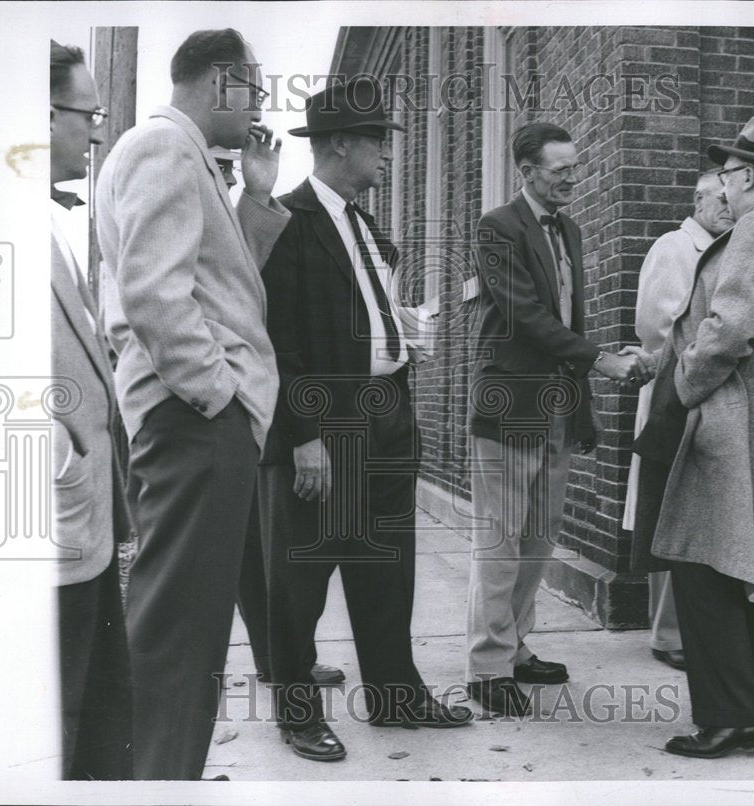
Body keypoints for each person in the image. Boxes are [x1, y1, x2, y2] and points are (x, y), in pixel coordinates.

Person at [95, 28, 290, 780]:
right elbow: (154, 293)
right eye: (256, 92)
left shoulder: (186, 158)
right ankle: (153, 777)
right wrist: (221, 397)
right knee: (180, 628)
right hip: (196, 420)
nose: (259, 107)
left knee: (189, 622)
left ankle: (157, 769)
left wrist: (256, 195)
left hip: (195, 419)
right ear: (221, 83)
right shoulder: (163, 149)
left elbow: (218, 282)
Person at [260, 78, 473, 762]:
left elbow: (366, 318)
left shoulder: (366, 225)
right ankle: (297, 714)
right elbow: (278, 340)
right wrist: (304, 436)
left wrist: (404, 333)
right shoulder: (287, 221)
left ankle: (394, 696)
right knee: (302, 583)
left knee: (387, 571)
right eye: (378, 140)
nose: (387, 154)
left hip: (386, 419)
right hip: (328, 429)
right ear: (341, 144)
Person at [633, 115, 754, 758]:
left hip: (728, 429)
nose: (722, 185)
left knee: (703, 572)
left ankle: (728, 716)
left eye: (727, 174)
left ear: (745, 175)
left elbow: (729, 329)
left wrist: (678, 389)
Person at [466, 122, 653, 718]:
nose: (572, 176)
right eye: (558, 168)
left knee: (537, 542)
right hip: (510, 408)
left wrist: (588, 382)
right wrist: (600, 359)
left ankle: (516, 647)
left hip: (557, 411)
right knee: (500, 543)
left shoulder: (569, 229)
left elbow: (567, 320)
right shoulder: (497, 228)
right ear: (526, 170)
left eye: (575, 166)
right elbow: (524, 315)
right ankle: (486, 667)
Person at [211, 146, 345, 688]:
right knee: (253, 550)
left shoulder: (237, 213)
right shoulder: (186, 208)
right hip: (226, 400)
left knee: (263, 547)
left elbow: (246, 274)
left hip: (258, 404)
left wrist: (259, 192)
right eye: (217, 168)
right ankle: (277, 661)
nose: (224, 175)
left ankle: (282, 659)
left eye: (227, 167)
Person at [49, 39, 132, 780]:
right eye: (87, 115)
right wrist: (60, 461)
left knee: (94, 715)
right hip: (44, 529)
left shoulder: (44, 224)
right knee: (58, 722)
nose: (97, 134)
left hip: (83, 523)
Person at [624, 173, 735, 672]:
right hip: (675, 389)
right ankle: (668, 633)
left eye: (736, 199)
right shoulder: (676, 246)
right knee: (668, 504)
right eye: (721, 199)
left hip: (704, 391)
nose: (730, 207)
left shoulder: (725, 246)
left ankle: (679, 625)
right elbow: (658, 323)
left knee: (690, 507)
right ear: (698, 200)